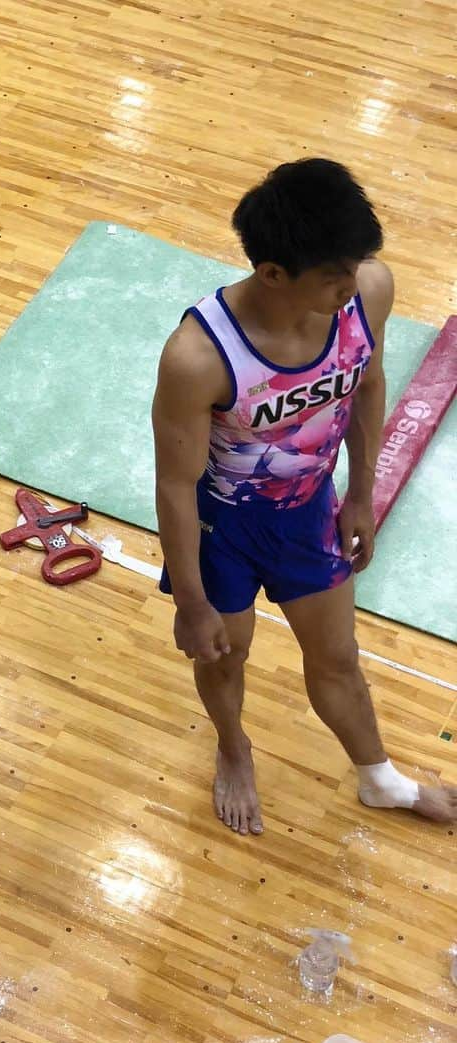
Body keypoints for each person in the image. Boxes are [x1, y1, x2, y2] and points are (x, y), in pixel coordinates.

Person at [151, 158, 456, 836]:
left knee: (338, 657)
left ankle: (378, 778)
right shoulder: (198, 358)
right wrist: (193, 605)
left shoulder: (367, 289)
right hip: (218, 532)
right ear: (274, 273)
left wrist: (360, 496)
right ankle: (233, 747)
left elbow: (368, 383)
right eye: (335, 275)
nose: (354, 286)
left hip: (308, 514)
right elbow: (174, 485)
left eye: (356, 266)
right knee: (224, 655)